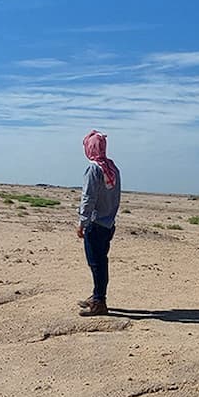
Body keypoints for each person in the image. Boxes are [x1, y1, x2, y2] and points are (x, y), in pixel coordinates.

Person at [76, 129, 121, 316]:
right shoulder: (112, 168)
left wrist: (82, 222)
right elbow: (115, 197)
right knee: (100, 261)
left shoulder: (94, 168)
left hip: (96, 224)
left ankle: (99, 302)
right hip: (108, 224)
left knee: (96, 263)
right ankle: (96, 295)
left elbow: (88, 198)